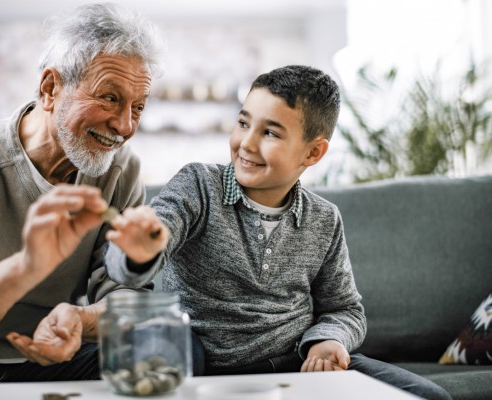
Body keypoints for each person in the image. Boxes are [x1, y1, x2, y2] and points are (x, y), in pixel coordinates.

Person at [104, 65, 452, 400]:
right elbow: (131, 261)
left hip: (299, 364)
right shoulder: (197, 185)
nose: (246, 144)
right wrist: (138, 251)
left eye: (269, 132)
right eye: (243, 123)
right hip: (211, 368)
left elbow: (345, 310)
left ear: (313, 152)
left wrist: (328, 341)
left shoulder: (324, 219)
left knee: (427, 395)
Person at [0, 3, 165, 399]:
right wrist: (28, 266)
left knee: (172, 347)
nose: (125, 126)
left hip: (42, 363)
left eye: (137, 107)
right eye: (109, 98)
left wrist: (82, 319)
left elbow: (126, 299)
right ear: (50, 88)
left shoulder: (120, 172)